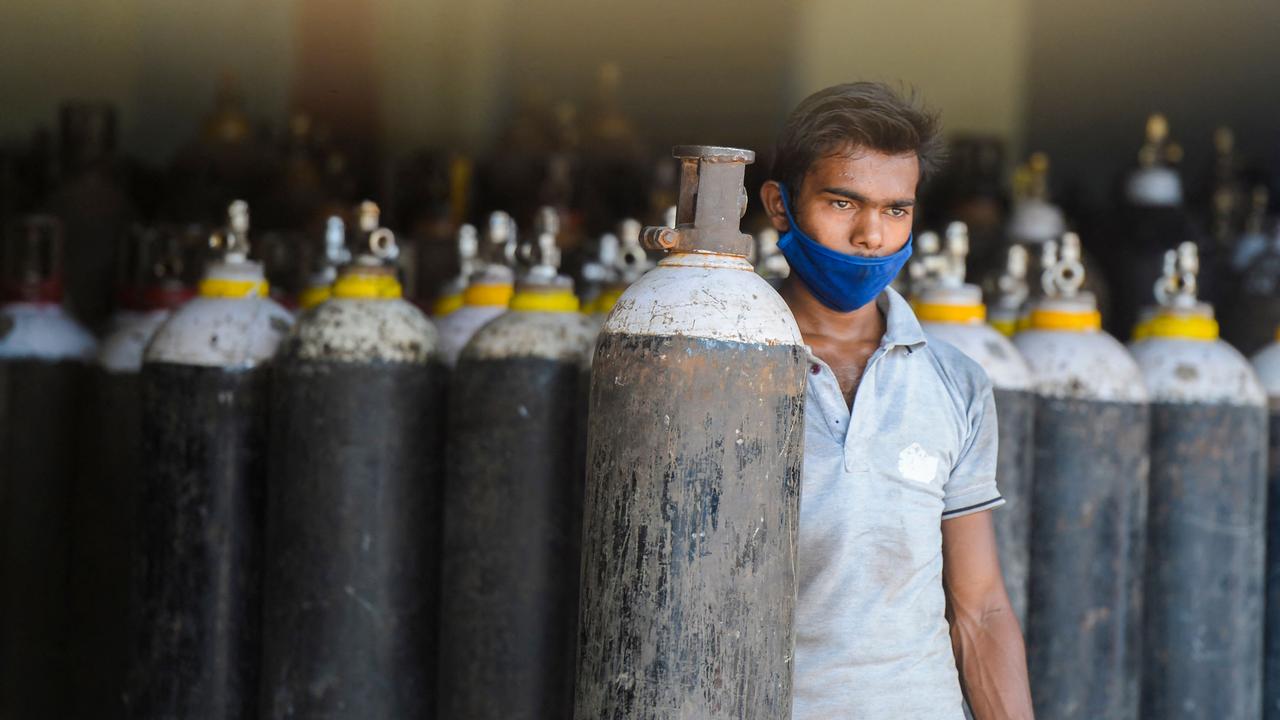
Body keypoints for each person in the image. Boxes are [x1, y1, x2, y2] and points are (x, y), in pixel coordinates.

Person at [761, 82, 1034, 719]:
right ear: (780, 205)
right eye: (842, 202)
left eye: (896, 210)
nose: (871, 235)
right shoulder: (728, 362)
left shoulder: (956, 382)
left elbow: (981, 605)